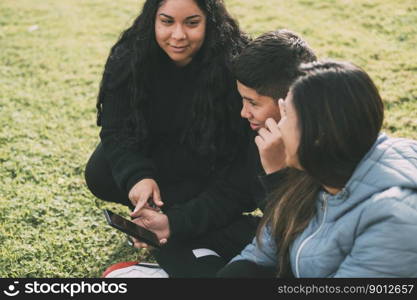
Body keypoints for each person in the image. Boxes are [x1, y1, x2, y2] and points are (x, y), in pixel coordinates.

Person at [108, 29, 316, 277]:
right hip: (270, 237)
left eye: (253, 103)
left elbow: (307, 239)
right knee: (172, 239)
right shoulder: (259, 133)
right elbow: (231, 193)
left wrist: (277, 172)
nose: (244, 112)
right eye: (242, 100)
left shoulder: (323, 144)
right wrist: (171, 224)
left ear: (288, 101)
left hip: (303, 256)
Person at [84, 0, 254, 277]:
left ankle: (178, 223)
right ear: (153, 19)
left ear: (209, 21)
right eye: (166, 21)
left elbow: (241, 166)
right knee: (101, 171)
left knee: (195, 220)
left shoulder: (235, 62)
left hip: (211, 162)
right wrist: (138, 177)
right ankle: (164, 217)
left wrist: (177, 220)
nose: (177, 35)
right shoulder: (129, 55)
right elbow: (116, 129)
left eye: (191, 22)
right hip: (164, 154)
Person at [218, 60, 417, 277]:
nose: (280, 126)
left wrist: (277, 176)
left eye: (287, 117)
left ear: (317, 136)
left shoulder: (392, 220)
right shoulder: (320, 170)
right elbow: (265, 249)